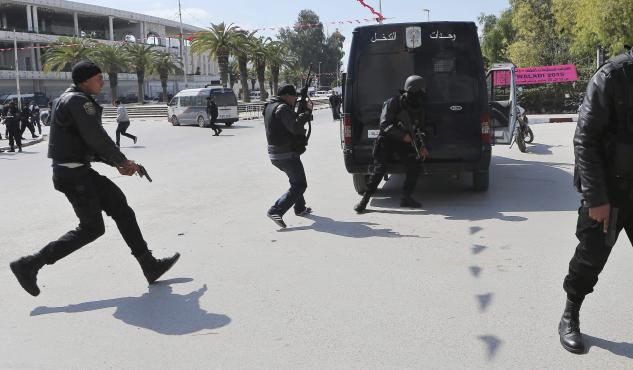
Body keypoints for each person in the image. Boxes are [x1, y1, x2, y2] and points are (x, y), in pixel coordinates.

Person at [9, 61, 180, 297]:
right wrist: (121, 161)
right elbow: (95, 138)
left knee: (120, 206)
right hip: (73, 175)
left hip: (77, 170)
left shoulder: (69, 99)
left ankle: (148, 265)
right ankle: (30, 264)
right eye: (99, 78)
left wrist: (117, 163)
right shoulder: (78, 101)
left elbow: (83, 143)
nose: (102, 82)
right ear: (85, 81)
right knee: (92, 229)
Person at [558, 47, 633, 354]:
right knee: (590, 260)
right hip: (609, 192)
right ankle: (569, 315)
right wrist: (597, 198)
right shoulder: (612, 77)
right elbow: (585, 140)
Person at [354, 75, 429, 213]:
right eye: (419, 92)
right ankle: (364, 200)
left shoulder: (419, 108)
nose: (422, 95)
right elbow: (384, 125)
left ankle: (406, 197)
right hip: (386, 140)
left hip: (404, 143)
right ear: (412, 91)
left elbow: (420, 130)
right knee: (379, 169)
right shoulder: (393, 103)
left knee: (414, 165)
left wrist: (422, 146)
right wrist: (403, 135)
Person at [264, 84, 314, 229]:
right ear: (286, 96)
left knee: (294, 180)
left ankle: (300, 207)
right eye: (294, 97)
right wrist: (306, 113)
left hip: (275, 153)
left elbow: (283, 123)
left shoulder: (270, 106)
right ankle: (276, 210)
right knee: (300, 184)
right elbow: (295, 128)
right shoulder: (283, 108)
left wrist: (301, 110)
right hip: (286, 154)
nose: (295, 99)